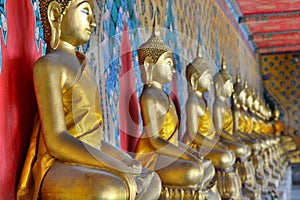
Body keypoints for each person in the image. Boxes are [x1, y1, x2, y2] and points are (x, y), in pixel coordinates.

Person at [17, 0, 161, 199]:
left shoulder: (84, 66)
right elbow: (57, 139)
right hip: (59, 162)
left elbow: (94, 139)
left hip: (88, 155)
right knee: (110, 190)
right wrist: (113, 165)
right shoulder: (48, 66)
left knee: (151, 179)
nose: (93, 22)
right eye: (85, 11)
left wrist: (124, 161)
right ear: (55, 14)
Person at [134, 17, 218, 199]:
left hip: (169, 152)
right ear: (150, 64)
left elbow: (171, 141)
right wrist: (187, 155)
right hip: (153, 157)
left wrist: (190, 152)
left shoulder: (165, 97)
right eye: (169, 64)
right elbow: (155, 141)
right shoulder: (149, 96)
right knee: (193, 171)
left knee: (205, 165)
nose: (173, 71)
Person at [182, 44, 242, 199]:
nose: (210, 81)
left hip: (207, 144)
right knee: (225, 156)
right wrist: (215, 144)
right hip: (196, 145)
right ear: (195, 79)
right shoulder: (192, 102)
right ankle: (224, 192)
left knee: (230, 153)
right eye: (207, 77)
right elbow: (193, 135)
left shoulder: (206, 103)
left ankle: (232, 192)